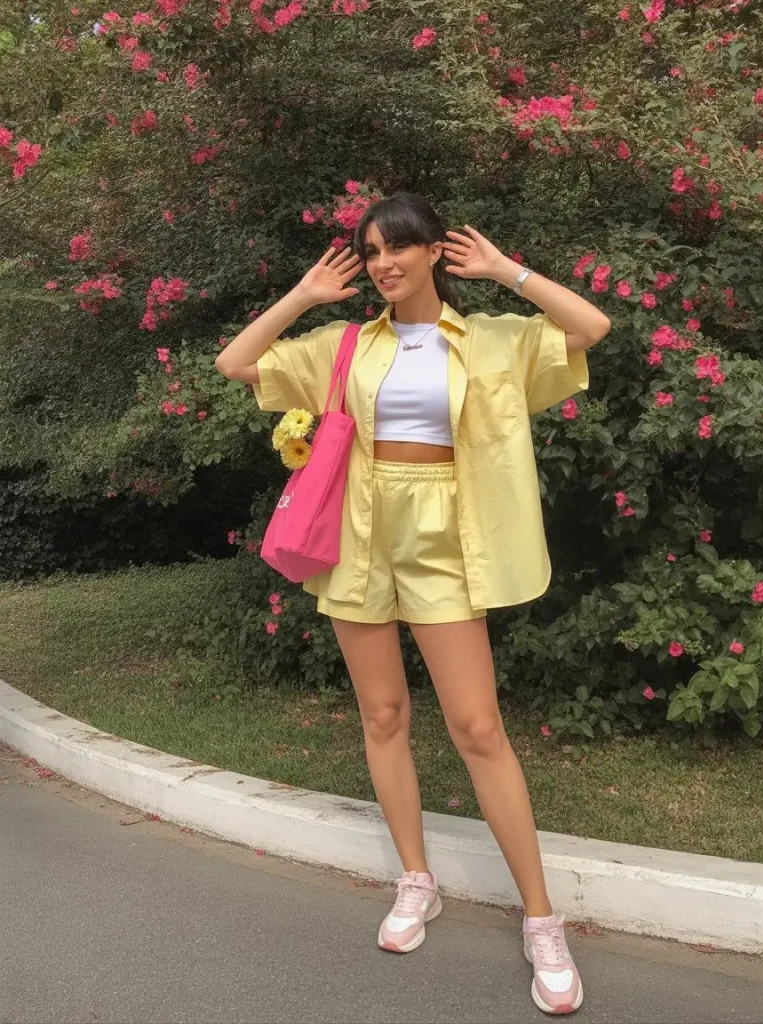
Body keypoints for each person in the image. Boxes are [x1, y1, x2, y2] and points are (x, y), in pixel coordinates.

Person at [215, 192, 610, 1016]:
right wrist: (303, 296)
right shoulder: (346, 344)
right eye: (371, 251)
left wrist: (506, 271)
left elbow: (590, 327)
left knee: (478, 727)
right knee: (383, 714)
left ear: (435, 251)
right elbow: (237, 363)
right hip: (362, 533)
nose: (383, 263)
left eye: (399, 246)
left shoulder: (492, 339)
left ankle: (542, 920)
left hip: (447, 537)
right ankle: (416, 879)